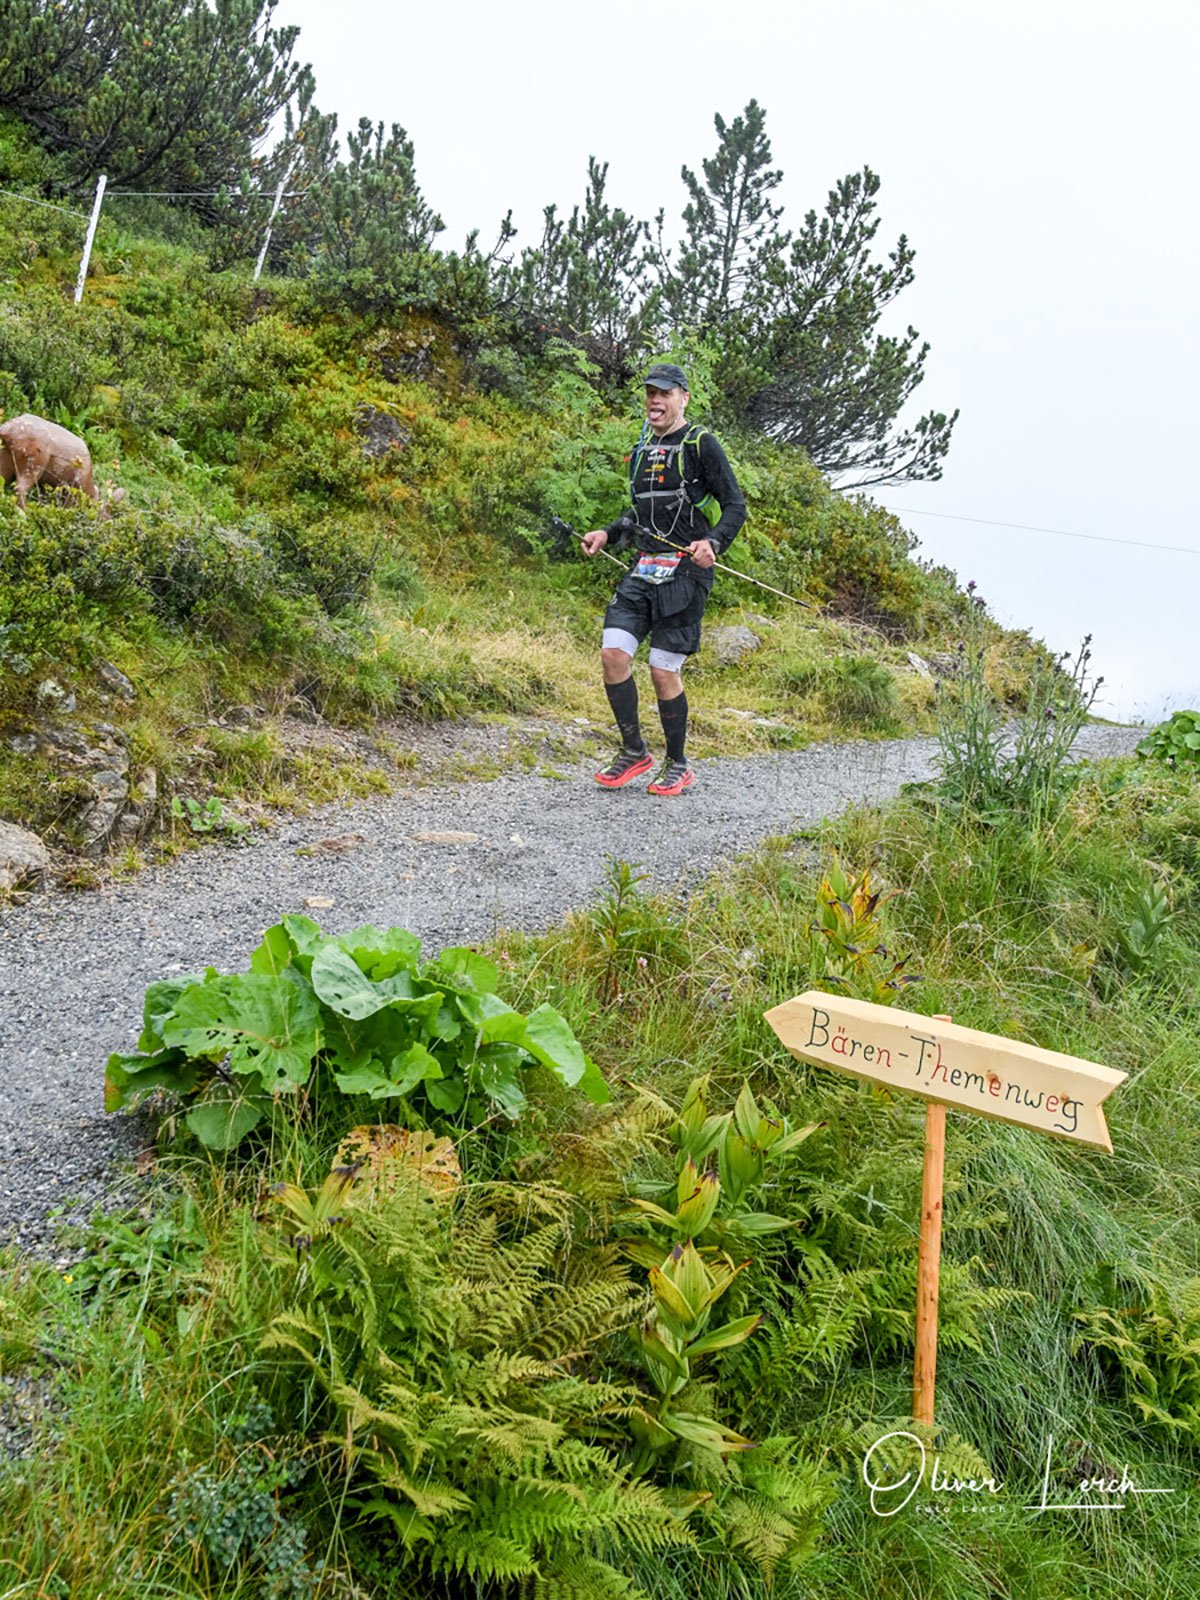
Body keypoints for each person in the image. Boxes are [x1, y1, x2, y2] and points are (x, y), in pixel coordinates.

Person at [581, 362, 746, 796]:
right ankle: (634, 752)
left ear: (683, 398)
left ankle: (678, 763)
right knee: (613, 655)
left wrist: (713, 543)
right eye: (651, 392)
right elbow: (641, 512)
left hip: (687, 573)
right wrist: (607, 534)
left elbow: (735, 505)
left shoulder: (700, 443)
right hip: (644, 567)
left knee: (662, 669)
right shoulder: (642, 448)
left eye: (665, 393)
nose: (655, 400)